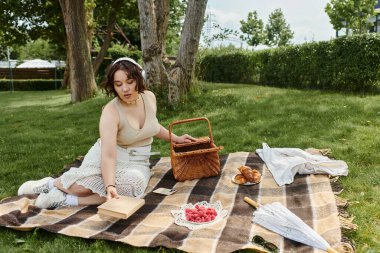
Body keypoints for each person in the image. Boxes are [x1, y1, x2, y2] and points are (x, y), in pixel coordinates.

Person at [17, 57, 196, 209]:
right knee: (83, 187)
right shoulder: (111, 111)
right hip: (106, 155)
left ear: (139, 79)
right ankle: (50, 184)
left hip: (136, 162)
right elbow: (108, 156)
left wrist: (176, 139)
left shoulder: (149, 97)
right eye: (118, 84)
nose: (124, 89)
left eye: (129, 82)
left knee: (130, 188)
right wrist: (109, 184)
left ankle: (64, 199)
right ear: (113, 86)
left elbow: (153, 126)